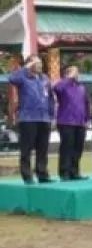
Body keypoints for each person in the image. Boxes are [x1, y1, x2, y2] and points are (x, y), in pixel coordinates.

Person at [8, 55, 55, 185]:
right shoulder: (23, 77)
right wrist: (26, 67)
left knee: (43, 148)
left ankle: (42, 173)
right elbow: (11, 78)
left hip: (44, 118)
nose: (40, 65)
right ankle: (27, 176)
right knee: (26, 149)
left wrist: (51, 115)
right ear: (30, 64)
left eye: (40, 63)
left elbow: (50, 97)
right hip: (28, 118)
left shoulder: (44, 78)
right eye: (36, 63)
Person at [52, 65, 89, 181]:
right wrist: (68, 78)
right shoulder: (63, 85)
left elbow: (86, 103)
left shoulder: (81, 87)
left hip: (80, 122)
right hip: (66, 121)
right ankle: (64, 172)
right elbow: (56, 88)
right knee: (67, 147)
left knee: (78, 148)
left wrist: (87, 119)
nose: (77, 74)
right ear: (67, 73)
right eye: (74, 72)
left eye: (77, 72)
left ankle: (75, 171)